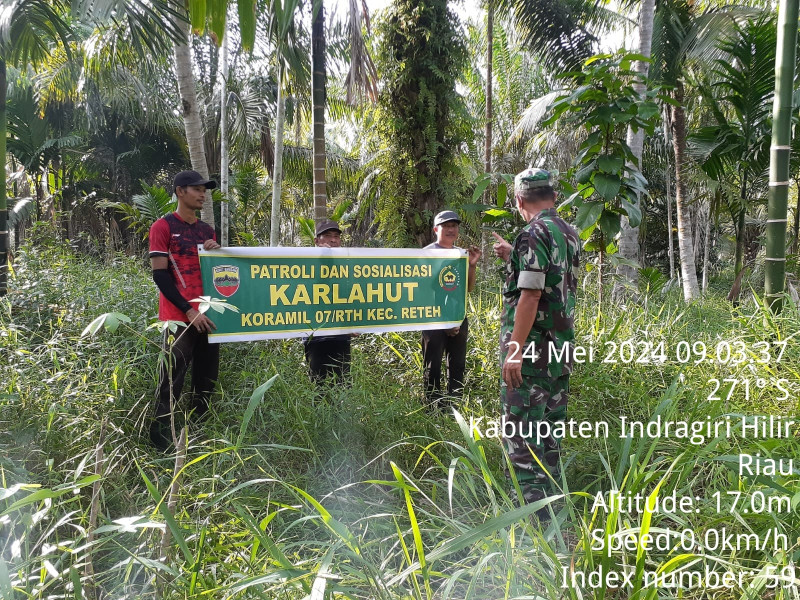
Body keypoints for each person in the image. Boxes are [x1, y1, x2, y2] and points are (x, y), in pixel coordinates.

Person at [491, 168, 579, 507]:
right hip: (559, 350)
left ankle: (529, 521)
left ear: (518, 200)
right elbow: (550, 275)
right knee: (549, 432)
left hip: (531, 354)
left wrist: (514, 351)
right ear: (553, 196)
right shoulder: (568, 232)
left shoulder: (532, 233)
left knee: (522, 436)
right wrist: (514, 253)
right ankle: (552, 507)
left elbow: (530, 295)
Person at [148, 170, 221, 450]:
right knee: (171, 382)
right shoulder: (163, 227)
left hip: (208, 316)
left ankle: (197, 437)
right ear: (180, 191)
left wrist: (215, 252)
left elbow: (216, 274)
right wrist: (188, 310)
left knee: (206, 380)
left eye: (205, 190)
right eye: (197, 189)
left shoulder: (206, 231)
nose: (203, 194)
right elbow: (160, 276)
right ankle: (160, 444)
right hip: (178, 318)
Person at [421, 210, 481, 409]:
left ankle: (455, 406)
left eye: (454, 226)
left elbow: (468, 288)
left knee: (457, 364)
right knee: (433, 365)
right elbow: (422, 291)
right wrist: (443, 320)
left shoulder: (460, 254)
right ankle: (433, 408)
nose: (450, 229)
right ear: (435, 229)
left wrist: (471, 265)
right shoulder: (426, 255)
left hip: (458, 315)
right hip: (433, 317)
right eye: (446, 226)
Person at [304, 219, 353, 382]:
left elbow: (356, 295)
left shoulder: (349, 263)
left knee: (343, 386)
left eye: (336, 236)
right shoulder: (304, 263)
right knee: (319, 387)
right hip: (316, 336)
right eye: (327, 236)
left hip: (341, 336)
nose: (333, 240)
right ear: (316, 241)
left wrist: (359, 322)